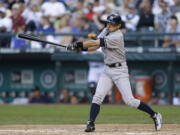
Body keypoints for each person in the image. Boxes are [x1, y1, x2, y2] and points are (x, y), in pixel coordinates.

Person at [66, 13, 162, 132]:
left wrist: (78, 44)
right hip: (107, 70)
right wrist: (81, 48)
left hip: (119, 70)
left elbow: (95, 43)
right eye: (108, 23)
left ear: (118, 26)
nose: (109, 26)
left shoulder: (117, 36)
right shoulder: (106, 31)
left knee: (130, 101)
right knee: (97, 97)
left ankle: (154, 115)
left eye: (112, 24)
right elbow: (95, 46)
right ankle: (91, 123)